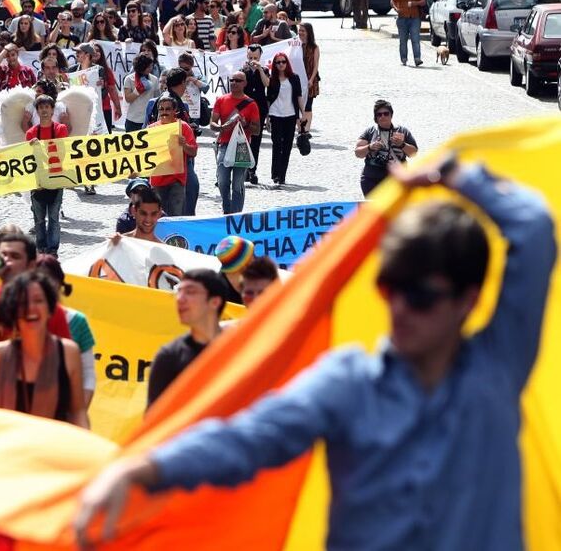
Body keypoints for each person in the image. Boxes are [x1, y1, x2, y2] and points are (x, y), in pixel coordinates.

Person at [75, 157, 557, 551]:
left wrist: (451, 173)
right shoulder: (350, 381)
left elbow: (533, 226)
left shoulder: (497, 363)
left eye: (423, 296)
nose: (401, 308)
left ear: (469, 299)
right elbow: (248, 438)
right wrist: (143, 469)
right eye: (391, 289)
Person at [0, 230, 73, 404]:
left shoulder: (50, 310)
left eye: (15, 256)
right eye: (3, 255)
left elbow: (64, 365)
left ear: (31, 265)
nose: (7, 261)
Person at [0, 270, 87, 427]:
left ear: (50, 308)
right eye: (23, 303)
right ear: (13, 310)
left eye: (38, 301)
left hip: (56, 448)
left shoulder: (69, 353)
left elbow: (77, 412)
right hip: (8, 448)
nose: (31, 308)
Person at [146, 269, 227, 408]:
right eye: (179, 291)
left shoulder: (241, 349)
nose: (180, 298)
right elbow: (154, 418)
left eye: (190, 292)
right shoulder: (169, 357)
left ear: (214, 302)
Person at [35, 255, 97, 407]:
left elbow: (88, 371)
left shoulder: (77, 321)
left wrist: (80, 410)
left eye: (50, 280)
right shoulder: (21, 319)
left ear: (59, 283)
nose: (45, 287)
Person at [211, 72, 260, 213]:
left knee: (238, 184)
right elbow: (212, 123)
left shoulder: (251, 104)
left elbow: (256, 130)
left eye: (238, 80)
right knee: (222, 181)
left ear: (244, 83)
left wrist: (245, 124)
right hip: (224, 144)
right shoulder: (221, 100)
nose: (234, 83)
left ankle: (237, 214)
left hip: (241, 147)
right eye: (232, 80)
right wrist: (221, 127)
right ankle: (227, 210)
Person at [27, 96, 69, 257]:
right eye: (41, 108)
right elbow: (29, 158)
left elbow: (62, 152)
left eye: (47, 107)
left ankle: (52, 249)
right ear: (37, 111)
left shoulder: (60, 129)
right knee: (38, 219)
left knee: (53, 217)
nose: (44, 111)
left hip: (56, 179)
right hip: (37, 181)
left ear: (52, 110)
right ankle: (41, 247)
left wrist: (41, 150)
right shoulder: (31, 133)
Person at [355, 99, 419, 196]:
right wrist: (370, 147)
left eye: (386, 113)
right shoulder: (370, 132)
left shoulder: (402, 131)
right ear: (375, 117)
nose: (383, 116)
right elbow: (357, 152)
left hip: (397, 179)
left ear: (391, 115)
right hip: (372, 179)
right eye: (379, 114)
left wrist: (402, 145)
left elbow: (413, 153)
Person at [148, 95, 197, 217]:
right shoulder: (151, 129)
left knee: (176, 216)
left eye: (168, 109)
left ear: (175, 111)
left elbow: (193, 152)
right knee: (158, 217)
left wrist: (184, 145)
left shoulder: (183, 127)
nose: (164, 112)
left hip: (177, 180)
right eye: (161, 109)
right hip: (157, 180)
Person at [266, 52, 303, 186]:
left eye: (283, 62)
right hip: (276, 114)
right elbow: (269, 99)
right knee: (277, 145)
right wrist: (267, 118)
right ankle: (275, 174)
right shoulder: (272, 79)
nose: (281, 64)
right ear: (274, 65)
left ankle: (282, 175)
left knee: (287, 146)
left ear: (287, 63)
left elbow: (298, 97)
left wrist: (302, 114)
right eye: (278, 62)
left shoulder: (294, 78)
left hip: (291, 115)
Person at [240, 45, 271, 186]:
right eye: (250, 57)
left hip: (259, 109)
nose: (253, 60)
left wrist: (259, 69)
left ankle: (253, 169)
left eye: (255, 58)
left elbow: (267, 84)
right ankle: (243, 168)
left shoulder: (264, 70)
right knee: (243, 140)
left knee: (256, 140)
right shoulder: (242, 71)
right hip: (245, 109)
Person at [391, 0, 425, 67]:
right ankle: (404, 58)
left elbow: (423, 2)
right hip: (402, 18)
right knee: (403, 40)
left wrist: (414, 3)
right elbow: (392, 1)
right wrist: (396, 9)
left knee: (415, 39)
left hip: (415, 18)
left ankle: (417, 58)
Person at [123, 54, 159, 133]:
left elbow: (157, 99)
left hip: (148, 119)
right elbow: (128, 99)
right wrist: (138, 90)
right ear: (142, 67)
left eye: (151, 66)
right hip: (132, 119)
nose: (151, 68)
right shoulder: (129, 79)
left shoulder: (154, 79)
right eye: (148, 66)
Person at [298, 23, 320, 130]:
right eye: (300, 30)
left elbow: (316, 66)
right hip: (298, 80)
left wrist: (311, 79)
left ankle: (306, 129)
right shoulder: (296, 45)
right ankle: (299, 126)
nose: (300, 33)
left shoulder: (314, 48)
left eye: (303, 31)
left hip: (310, 79)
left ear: (308, 33)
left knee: (308, 106)